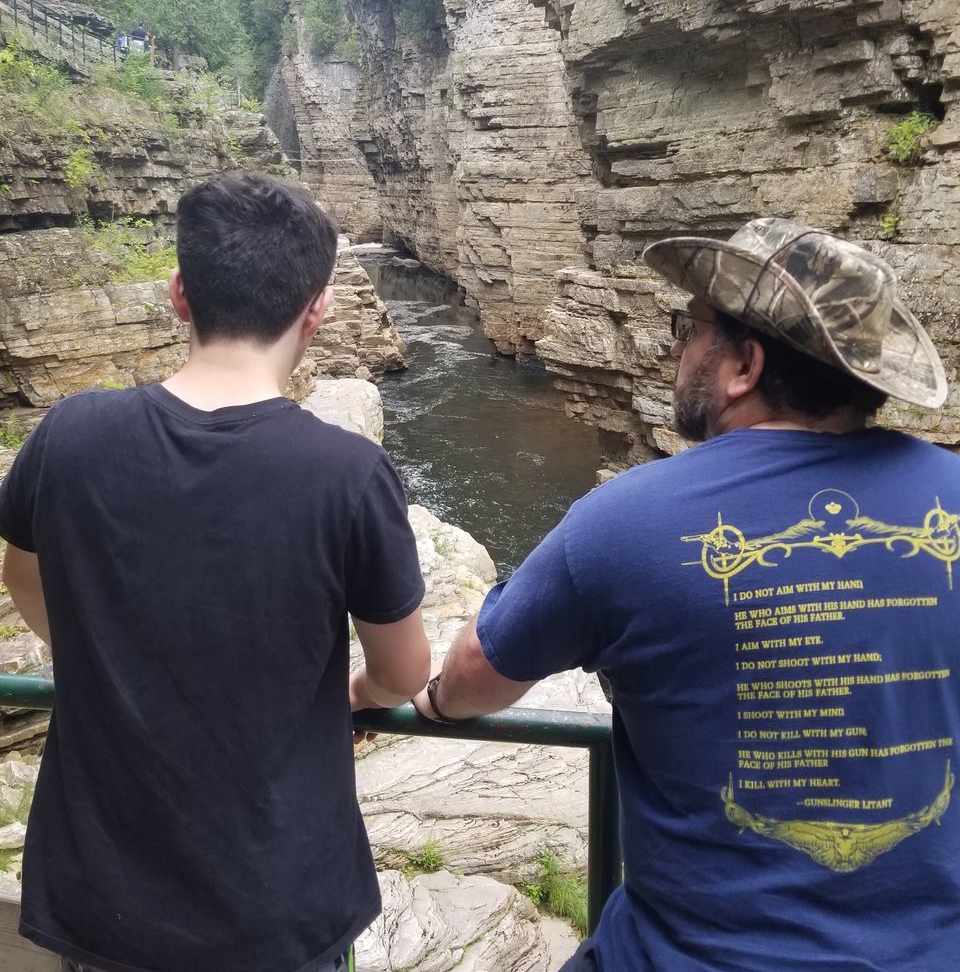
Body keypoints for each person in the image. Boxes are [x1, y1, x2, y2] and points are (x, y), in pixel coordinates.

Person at [414, 218, 959, 972]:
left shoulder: (622, 522)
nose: (678, 348)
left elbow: (479, 674)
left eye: (690, 328)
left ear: (744, 366)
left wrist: (436, 703)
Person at [0, 171, 431, 972]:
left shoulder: (69, 435)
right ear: (319, 310)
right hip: (276, 905)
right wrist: (360, 697)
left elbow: (21, 574)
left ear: (178, 295)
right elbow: (404, 672)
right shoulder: (347, 473)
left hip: (103, 899)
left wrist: (100, 653)